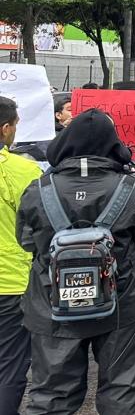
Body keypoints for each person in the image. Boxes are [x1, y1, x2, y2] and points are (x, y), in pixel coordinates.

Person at [17, 109, 135, 415]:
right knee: (122, 395)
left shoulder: (39, 188)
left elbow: (26, 241)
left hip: (52, 303)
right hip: (120, 301)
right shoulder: (133, 187)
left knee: (51, 396)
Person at [0, 97, 46, 412]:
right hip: (12, 284)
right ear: (5, 129)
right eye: (15, 125)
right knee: (10, 365)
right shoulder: (24, 170)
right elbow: (43, 225)